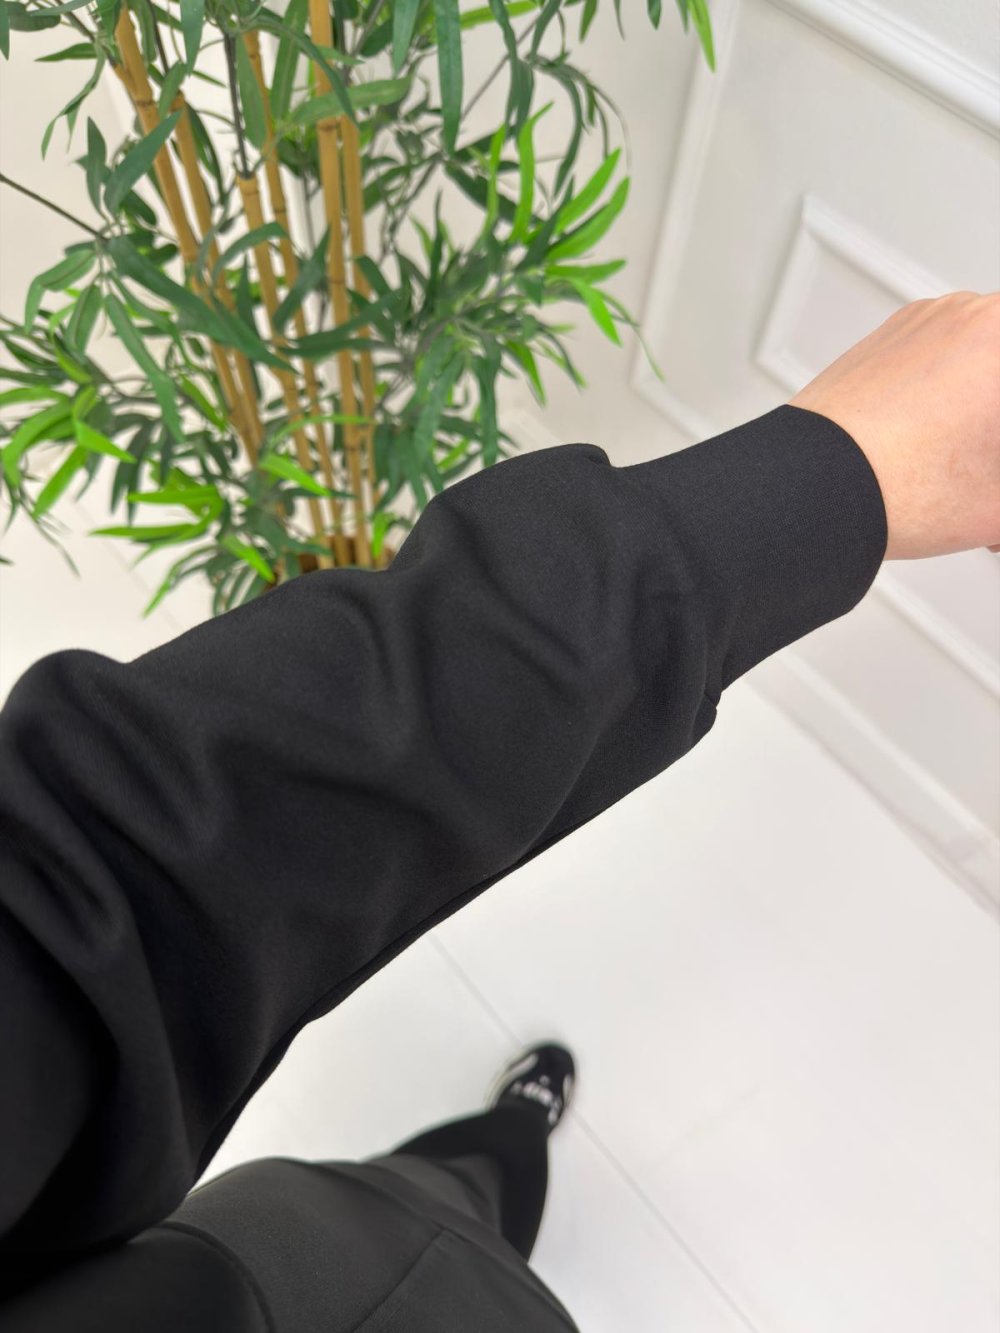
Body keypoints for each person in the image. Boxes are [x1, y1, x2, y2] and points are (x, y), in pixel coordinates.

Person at [0, 293, 997, 1330]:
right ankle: (492, 1158)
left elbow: (117, 905)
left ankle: (501, 1141)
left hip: (259, 1270)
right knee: (436, 1228)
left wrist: (815, 487)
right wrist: (814, 485)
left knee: (437, 1189)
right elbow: (133, 880)